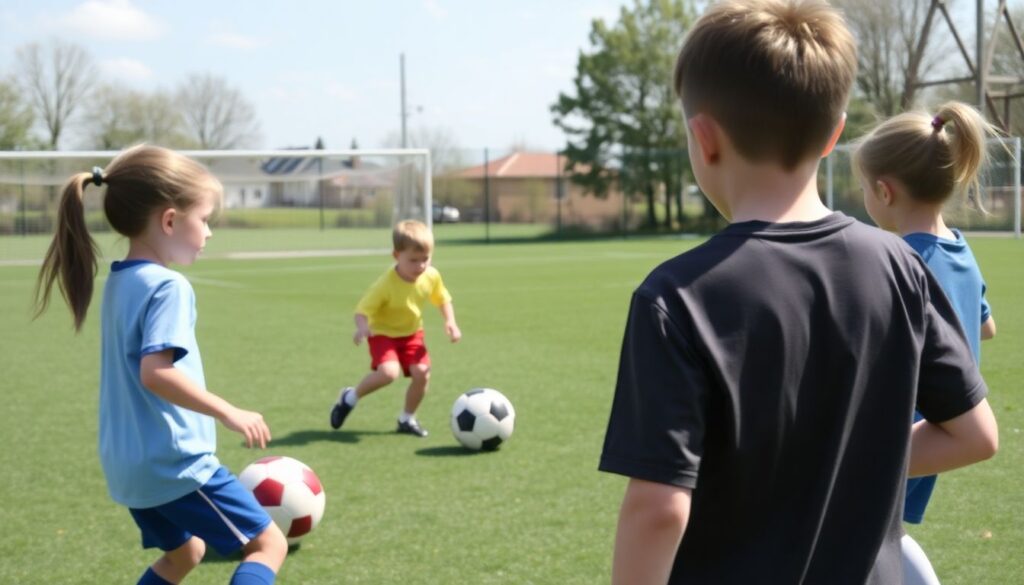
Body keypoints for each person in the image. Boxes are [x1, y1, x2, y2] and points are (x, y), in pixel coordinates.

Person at [598, 1, 999, 584]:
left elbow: (659, 510)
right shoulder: (902, 267)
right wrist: (854, 461)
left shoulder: (677, 298)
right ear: (833, 133)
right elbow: (976, 434)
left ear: (703, 138)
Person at [34, 145, 288, 585]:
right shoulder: (169, 286)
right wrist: (230, 411)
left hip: (127, 467)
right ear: (170, 220)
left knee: (185, 553)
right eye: (204, 219)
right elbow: (156, 373)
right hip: (174, 465)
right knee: (269, 545)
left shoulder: (119, 280)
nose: (209, 232)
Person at [855, 101, 999, 585]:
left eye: (863, 190)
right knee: (877, 536)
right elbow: (985, 328)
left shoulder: (899, 261)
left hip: (903, 438)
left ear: (884, 191)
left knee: (849, 530)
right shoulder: (960, 248)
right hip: (939, 434)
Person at [330, 219, 461, 437]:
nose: (420, 266)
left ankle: (407, 418)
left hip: (412, 334)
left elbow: (442, 298)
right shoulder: (385, 284)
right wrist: (362, 328)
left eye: (425, 259)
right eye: (413, 260)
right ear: (396, 256)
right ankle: (350, 398)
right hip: (383, 334)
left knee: (422, 374)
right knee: (389, 374)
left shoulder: (431, 275)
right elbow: (362, 310)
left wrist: (451, 322)